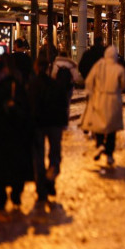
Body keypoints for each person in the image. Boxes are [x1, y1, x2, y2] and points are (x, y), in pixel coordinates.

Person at [0, 56, 34, 209]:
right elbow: (25, 109)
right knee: (15, 166)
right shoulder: (14, 85)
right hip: (14, 133)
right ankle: (15, 192)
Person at [27, 54, 72, 201]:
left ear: (35, 67)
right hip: (54, 124)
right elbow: (63, 104)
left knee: (38, 156)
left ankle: (41, 187)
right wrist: (63, 122)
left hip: (38, 124)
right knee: (55, 153)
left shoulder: (32, 86)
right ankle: (51, 178)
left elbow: (29, 106)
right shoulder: (55, 85)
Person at [80, 46, 125, 167]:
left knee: (99, 124)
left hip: (99, 97)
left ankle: (100, 143)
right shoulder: (119, 69)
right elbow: (124, 84)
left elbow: (89, 81)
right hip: (113, 100)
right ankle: (110, 154)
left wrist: (92, 92)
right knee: (112, 128)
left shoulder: (99, 66)